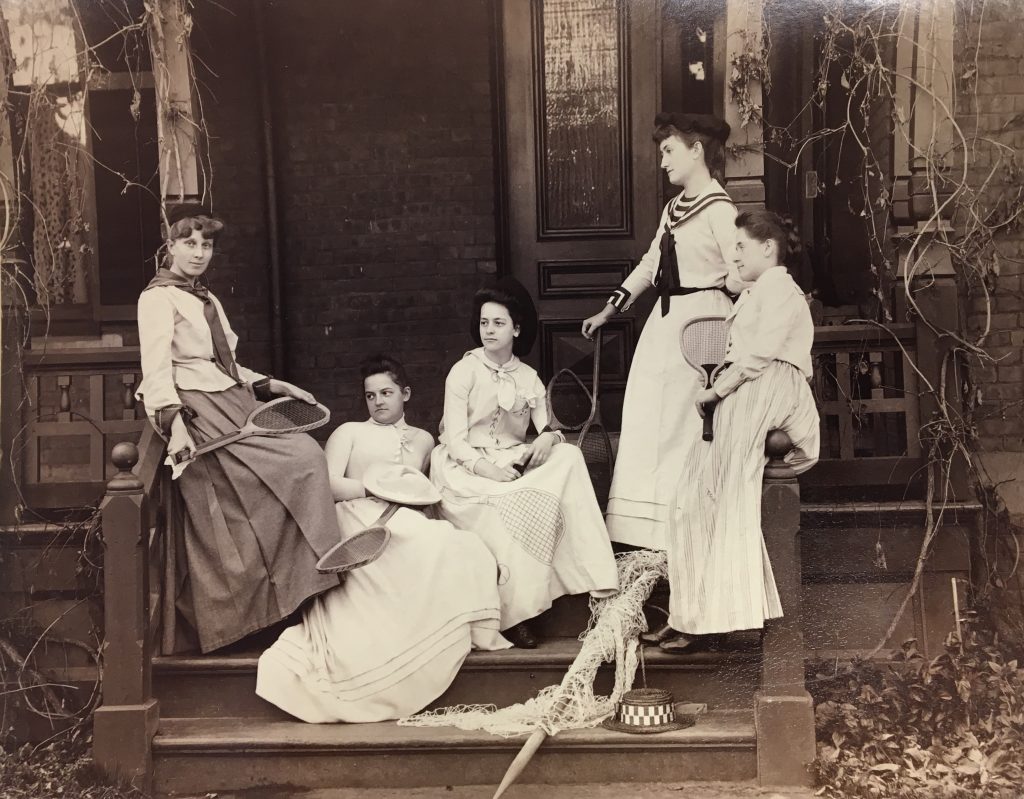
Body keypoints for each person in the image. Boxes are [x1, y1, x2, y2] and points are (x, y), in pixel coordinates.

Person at [256, 355, 510, 723]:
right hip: (357, 515)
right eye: (370, 395)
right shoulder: (349, 432)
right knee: (414, 547)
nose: (378, 401)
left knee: (460, 544)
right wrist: (375, 488)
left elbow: (427, 487)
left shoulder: (424, 439)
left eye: (386, 393)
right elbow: (325, 484)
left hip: (406, 517)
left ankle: (453, 628)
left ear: (405, 394)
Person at [135, 205, 341, 654]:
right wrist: (175, 425)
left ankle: (302, 592)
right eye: (189, 243)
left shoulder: (206, 298)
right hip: (199, 410)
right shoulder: (157, 299)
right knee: (233, 508)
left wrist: (270, 384)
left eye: (206, 245)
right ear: (170, 247)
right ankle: (245, 620)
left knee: (305, 459)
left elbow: (225, 365)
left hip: (233, 400)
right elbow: (156, 369)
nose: (198, 252)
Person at [582, 112, 747, 554]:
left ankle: (685, 535)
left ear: (697, 150)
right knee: (649, 416)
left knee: (684, 424)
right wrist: (610, 309)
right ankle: (646, 537)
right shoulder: (673, 209)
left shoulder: (720, 209)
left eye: (669, 151)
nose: (663, 162)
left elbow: (739, 274)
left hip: (704, 328)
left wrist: (721, 301)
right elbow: (651, 264)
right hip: (664, 326)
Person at [657, 210, 820, 654]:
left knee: (720, 500)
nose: (735, 255)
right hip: (752, 387)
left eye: (742, 246)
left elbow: (762, 354)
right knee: (690, 501)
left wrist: (717, 391)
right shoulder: (756, 291)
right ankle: (687, 613)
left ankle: (710, 620)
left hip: (771, 387)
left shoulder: (780, 289)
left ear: (768, 248)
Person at [431, 278, 619, 649]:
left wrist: (548, 437)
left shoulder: (528, 377)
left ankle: (595, 577)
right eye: (484, 322)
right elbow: (455, 441)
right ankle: (516, 614)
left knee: (569, 455)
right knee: (516, 504)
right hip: (466, 467)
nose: (489, 330)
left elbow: (548, 426)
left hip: (511, 458)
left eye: (498, 323)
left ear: (516, 329)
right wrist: (489, 471)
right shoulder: (463, 371)